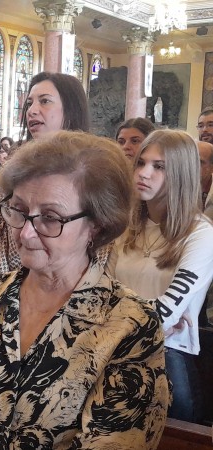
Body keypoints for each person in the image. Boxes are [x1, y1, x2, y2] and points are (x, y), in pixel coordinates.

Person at [0, 131, 169, 449]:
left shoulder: (129, 324)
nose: (26, 233)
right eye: (19, 210)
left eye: (50, 218)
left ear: (98, 224)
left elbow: (115, 440)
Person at [108, 130, 213, 424]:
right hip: (111, 354)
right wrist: (147, 316)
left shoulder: (200, 234)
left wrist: (119, 314)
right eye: (141, 163)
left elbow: (165, 315)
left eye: (159, 167)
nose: (143, 173)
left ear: (181, 174)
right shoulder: (127, 227)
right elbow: (97, 295)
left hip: (166, 358)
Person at [0, 72, 91, 280]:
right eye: (29, 103)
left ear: (71, 108)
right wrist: (2, 290)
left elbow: (102, 245)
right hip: (13, 282)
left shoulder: (92, 170)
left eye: (44, 101)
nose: (32, 111)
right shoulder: (12, 169)